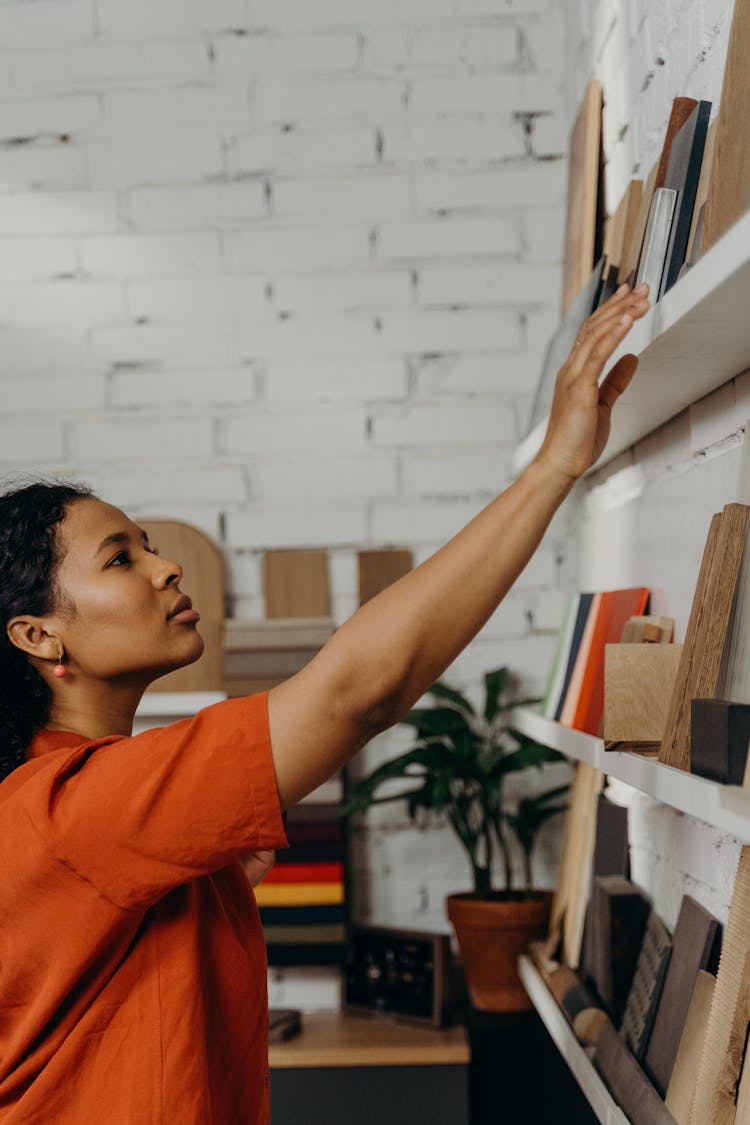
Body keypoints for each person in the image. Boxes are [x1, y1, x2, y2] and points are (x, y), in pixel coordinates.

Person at [0, 282, 649, 1123]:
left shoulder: (80, 807)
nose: (166, 567)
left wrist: (216, 882)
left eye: (153, 547)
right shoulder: (75, 807)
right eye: (121, 558)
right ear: (38, 636)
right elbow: (359, 692)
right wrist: (555, 466)